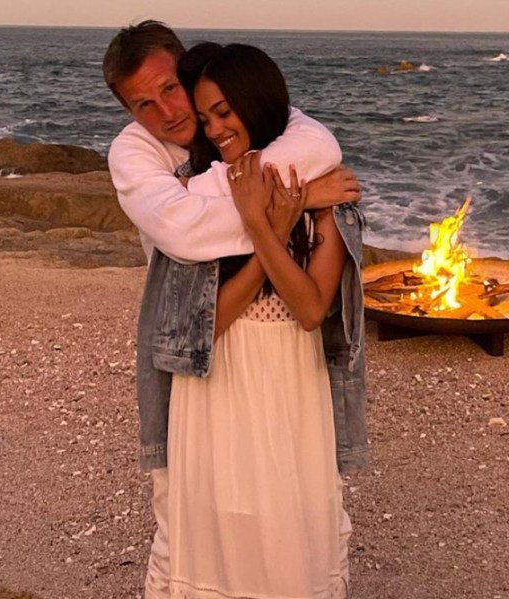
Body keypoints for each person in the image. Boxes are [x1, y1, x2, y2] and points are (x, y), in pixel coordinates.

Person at [102, 21, 367, 597]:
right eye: (143, 104)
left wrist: (267, 204)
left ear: (190, 73)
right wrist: (284, 205)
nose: (168, 112)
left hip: (286, 370)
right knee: (186, 525)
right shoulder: (134, 151)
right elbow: (187, 234)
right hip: (200, 355)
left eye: (172, 90)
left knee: (300, 516)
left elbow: (319, 148)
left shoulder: (286, 138)